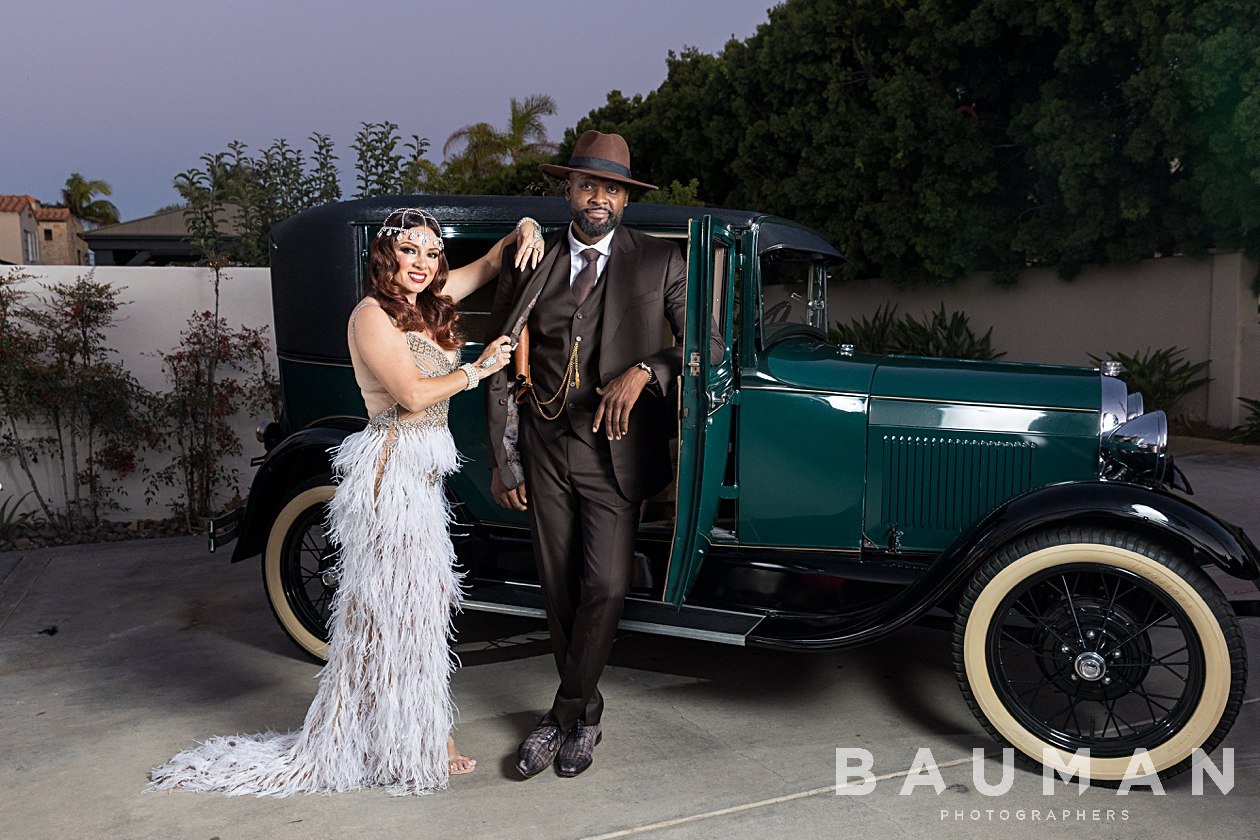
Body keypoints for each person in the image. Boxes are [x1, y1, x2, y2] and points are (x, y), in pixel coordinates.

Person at [148, 208, 544, 797]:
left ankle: (418, 730)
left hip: (422, 481)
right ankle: (410, 737)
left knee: (422, 611)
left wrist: (527, 227)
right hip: (389, 478)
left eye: (433, 254)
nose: (425, 264)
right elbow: (410, 394)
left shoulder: (427, 301)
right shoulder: (369, 316)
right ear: (387, 254)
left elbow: (487, 264)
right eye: (411, 251)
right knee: (395, 614)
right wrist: (478, 369)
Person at [483, 131, 685, 778]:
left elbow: (705, 347)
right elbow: (496, 361)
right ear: (569, 190)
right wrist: (503, 458)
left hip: (613, 452)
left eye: (612, 189)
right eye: (588, 184)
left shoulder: (660, 262)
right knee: (557, 585)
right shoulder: (530, 259)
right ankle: (584, 715)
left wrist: (649, 371)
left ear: (626, 201)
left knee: (605, 584)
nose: (599, 197)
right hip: (543, 447)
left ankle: (563, 714)